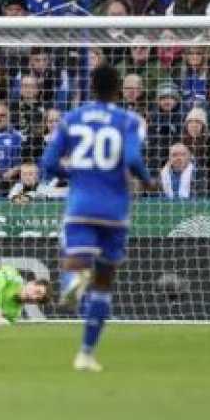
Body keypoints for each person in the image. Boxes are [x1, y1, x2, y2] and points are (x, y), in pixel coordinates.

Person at [39, 63, 155, 372]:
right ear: (118, 90)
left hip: (81, 204)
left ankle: (71, 278)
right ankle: (86, 353)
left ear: (91, 88)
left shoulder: (71, 120)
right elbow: (132, 158)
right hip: (115, 209)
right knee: (104, 283)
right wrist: (146, 179)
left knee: (74, 256)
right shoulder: (128, 120)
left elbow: (47, 163)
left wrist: (73, 173)